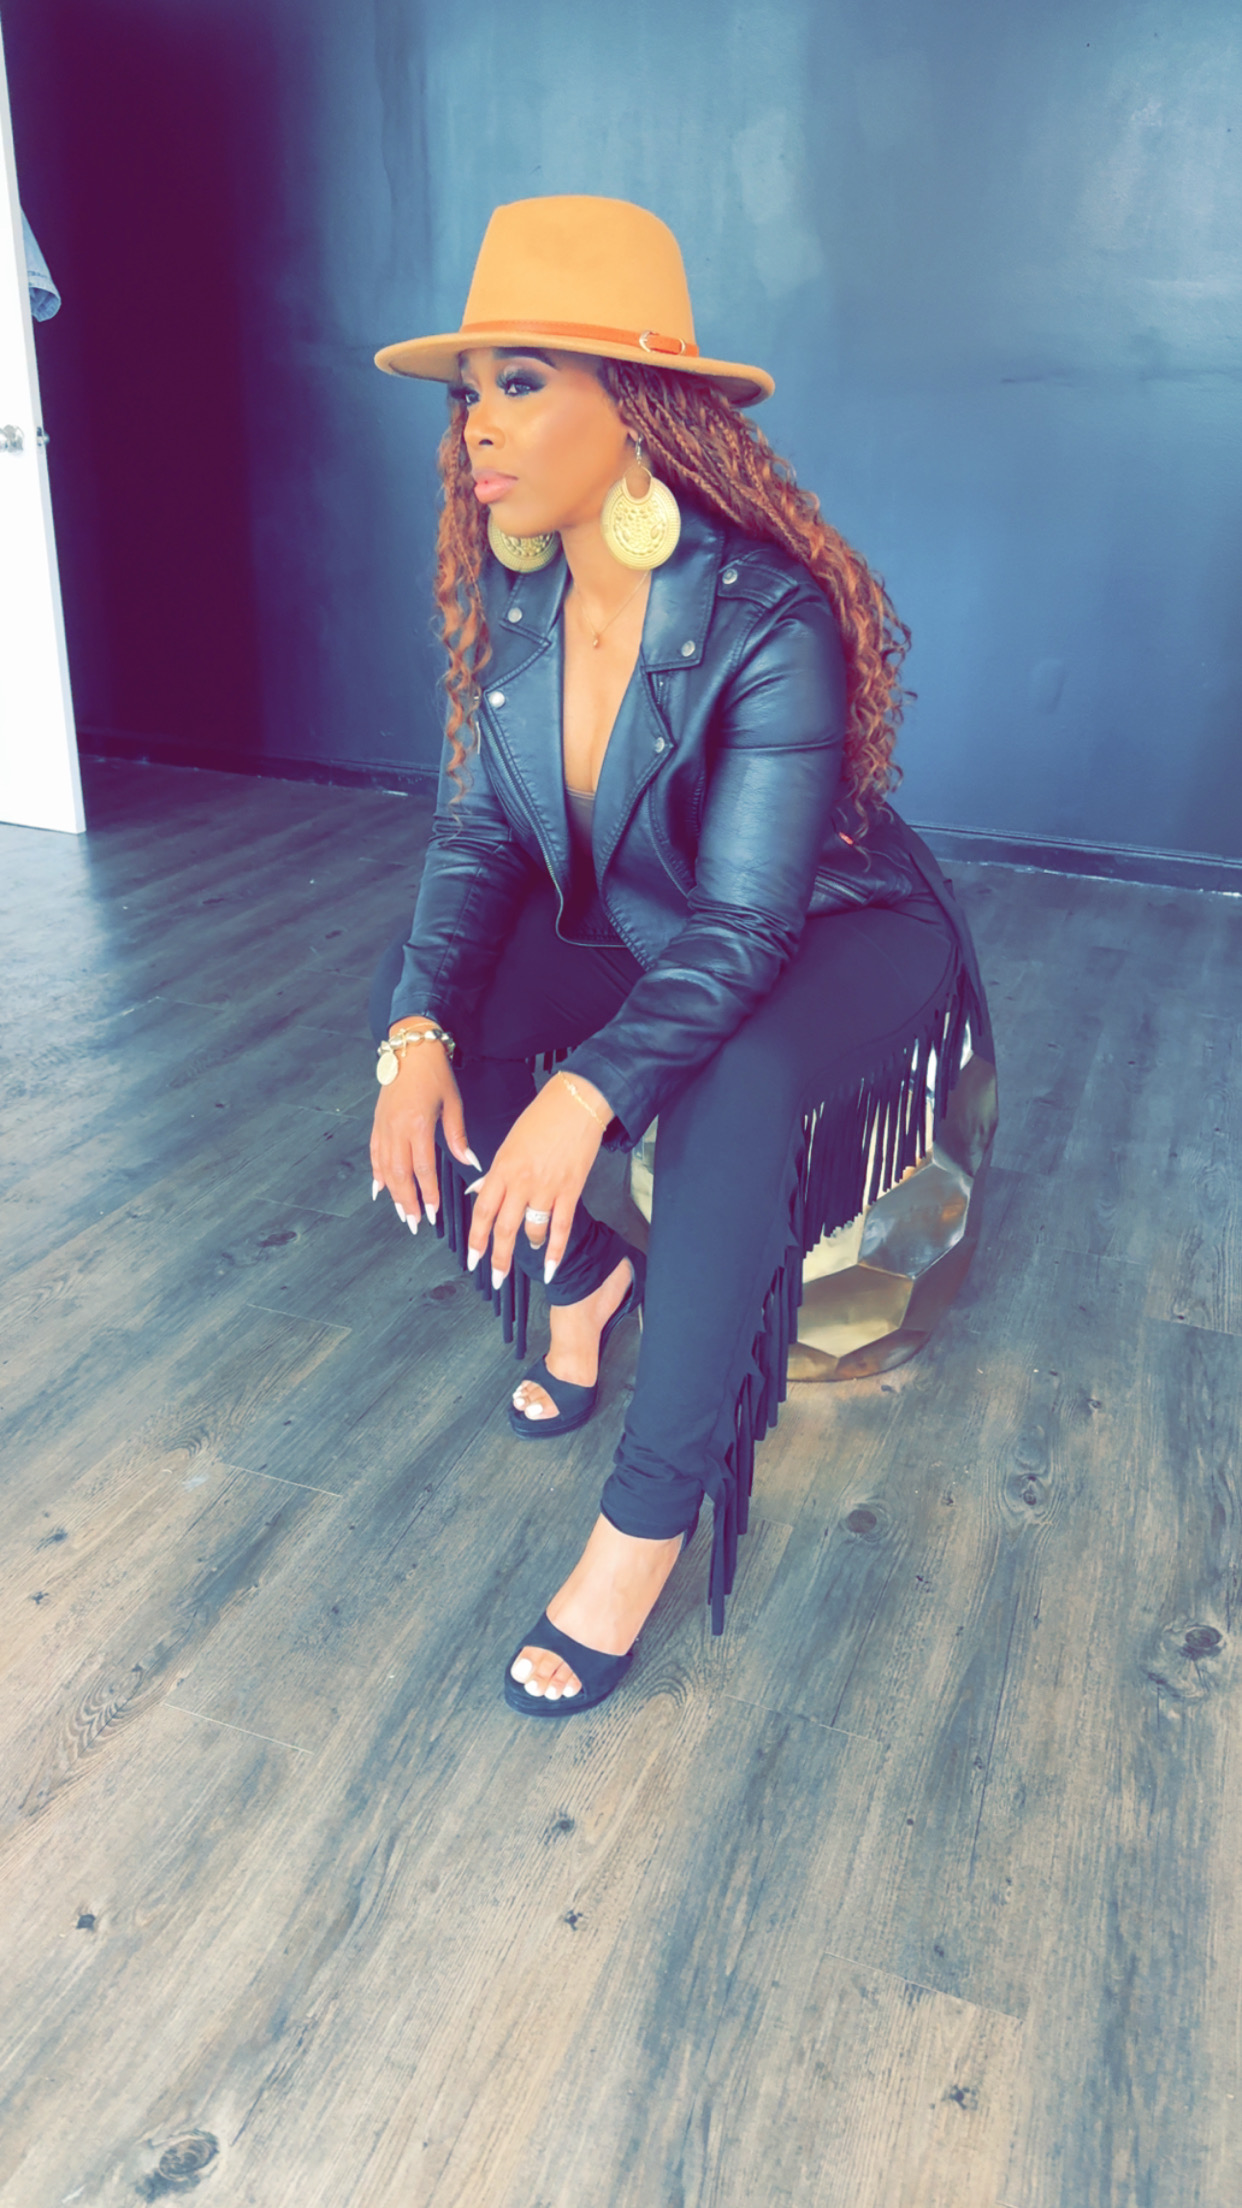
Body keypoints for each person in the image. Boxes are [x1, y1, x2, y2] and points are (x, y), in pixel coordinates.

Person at [368, 196, 991, 1719]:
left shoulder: (772, 618)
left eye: (521, 383)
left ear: (636, 406)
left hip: (829, 924)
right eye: (469, 393)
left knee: (731, 1086)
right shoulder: (513, 590)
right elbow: (478, 837)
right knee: (440, 1015)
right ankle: (585, 1288)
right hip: (660, 911)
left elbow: (745, 927)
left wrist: (587, 1092)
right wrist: (414, 1032)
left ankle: (645, 1528)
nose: (476, 426)